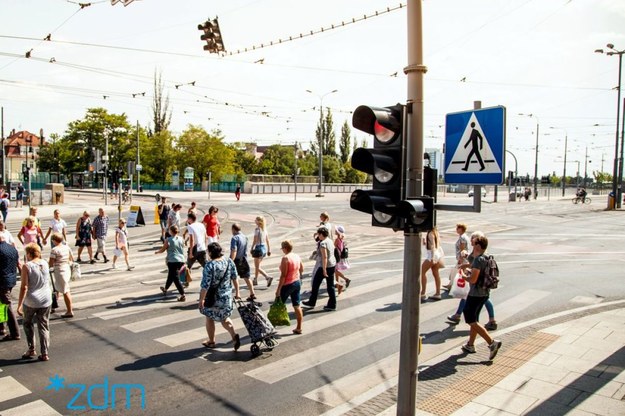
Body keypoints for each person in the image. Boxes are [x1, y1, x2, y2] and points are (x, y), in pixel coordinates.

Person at [459, 235, 502, 360]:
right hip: (484, 293)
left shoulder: (478, 260)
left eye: (474, 243)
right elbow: (478, 271)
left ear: (478, 246)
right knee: (475, 319)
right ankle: (470, 345)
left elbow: (473, 279)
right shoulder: (486, 258)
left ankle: (492, 342)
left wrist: (463, 275)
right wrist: (467, 267)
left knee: (470, 319)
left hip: (475, 294)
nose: (472, 244)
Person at [447, 231, 497, 330]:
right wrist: (465, 262)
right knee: (474, 306)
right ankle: (472, 337)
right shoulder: (480, 255)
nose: (471, 242)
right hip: (480, 287)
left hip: (478, 287)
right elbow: (472, 264)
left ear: (478, 244)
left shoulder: (479, 257)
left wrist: (464, 276)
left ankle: (490, 337)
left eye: (473, 240)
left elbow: (474, 272)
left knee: (472, 319)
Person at [198, 242, 240, 351]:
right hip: (226, 297)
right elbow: (235, 277)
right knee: (225, 318)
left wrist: (201, 299)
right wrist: (237, 293)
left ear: (211, 252)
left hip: (213, 298)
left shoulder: (210, 265)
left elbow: (205, 286)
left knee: (209, 317)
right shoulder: (229, 261)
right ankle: (234, 335)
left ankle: (211, 341)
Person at [17, 243, 53, 361]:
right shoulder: (45, 263)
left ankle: (31, 348)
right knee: (43, 326)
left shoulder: (27, 266)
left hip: (31, 300)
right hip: (46, 299)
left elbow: (24, 287)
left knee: (27, 323)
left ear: (29, 253)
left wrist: (19, 305)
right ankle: (45, 353)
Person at [302, 227, 337, 311]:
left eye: (318, 234)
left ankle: (312, 302)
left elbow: (324, 257)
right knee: (330, 286)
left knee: (315, 284)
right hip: (332, 264)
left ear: (321, 234)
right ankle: (332, 304)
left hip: (324, 266)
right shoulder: (330, 240)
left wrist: (324, 270)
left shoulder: (323, 243)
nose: (318, 236)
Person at [276, 240, 304, 334]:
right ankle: (299, 327)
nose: (282, 250)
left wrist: (278, 289)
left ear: (285, 248)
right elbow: (302, 268)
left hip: (287, 284)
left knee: (278, 305)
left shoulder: (285, 258)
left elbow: (283, 275)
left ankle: (271, 328)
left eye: (282, 248)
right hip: (296, 282)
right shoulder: (296, 256)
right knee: (297, 305)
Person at [154, 225, 186, 301]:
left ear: (171, 231)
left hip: (172, 261)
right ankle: (165, 289)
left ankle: (183, 295)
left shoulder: (168, 240)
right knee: (171, 275)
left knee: (175, 278)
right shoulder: (181, 239)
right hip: (181, 260)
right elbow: (183, 246)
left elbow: (163, 249)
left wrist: (157, 252)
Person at [0, 233, 20, 341]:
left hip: (2, 281)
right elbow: (17, 263)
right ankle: (2, 327)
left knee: (7, 305)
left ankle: (15, 332)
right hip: (11, 280)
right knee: (2, 304)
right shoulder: (12, 249)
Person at [48, 233, 74, 318]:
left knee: (65, 291)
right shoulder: (67, 247)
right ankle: (53, 305)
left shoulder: (54, 250)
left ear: (54, 240)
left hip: (59, 271)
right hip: (66, 269)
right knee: (57, 287)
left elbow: (51, 262)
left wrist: (49, 268)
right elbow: (71, 258)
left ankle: (69, 311)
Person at [230, 223, 255, 301]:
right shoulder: (245, 237)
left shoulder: (235, 238)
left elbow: (234, 250)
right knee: (246, 277)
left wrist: (231, 261)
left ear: (233, 229)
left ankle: (238, 294)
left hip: (236, 260)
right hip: (244, 259)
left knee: (234, 276)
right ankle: (252, 293)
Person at [443, 223, 471, 291]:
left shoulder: (462, 238)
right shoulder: (464, 236)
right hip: (464, 258)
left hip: (463, 258)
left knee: (458, 272)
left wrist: (460, 259)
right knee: (456, 271)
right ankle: (450, 285)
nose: (456, 230)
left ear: (461, 229)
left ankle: (455, 286)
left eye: (458, 228)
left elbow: (462, 249)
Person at [421, 226, 443, 301]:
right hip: (437, 254)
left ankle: (423, 293)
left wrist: (432, 258)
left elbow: (432, 245)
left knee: (422, 272)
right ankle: (438, 293)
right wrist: (425, 243)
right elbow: (436, 244)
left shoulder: (430, 233)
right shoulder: (436, 233)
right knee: (436, 273)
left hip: (431, 255)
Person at [251, 216, 272, 287]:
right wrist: (269, 249)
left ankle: (267, 277)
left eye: (256, 220)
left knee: (257, 267)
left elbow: (255, 240)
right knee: (258, 266)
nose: (254, 220)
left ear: (258, 221)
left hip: (258, 248)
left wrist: (251, 248)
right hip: (264, 248)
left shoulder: (257, 229)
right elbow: (267, 240)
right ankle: (255, 279)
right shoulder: (264, 229)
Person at [334, 225, 351, 294]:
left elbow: (333, 248)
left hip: (336, 257)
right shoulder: (341, 239)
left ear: (338, 232)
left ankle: (346, 279)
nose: (335, 231)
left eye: (336, 230)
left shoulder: (337, 240)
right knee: (336, 271)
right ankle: (338, 284)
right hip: (339, 257)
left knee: (335, 271)